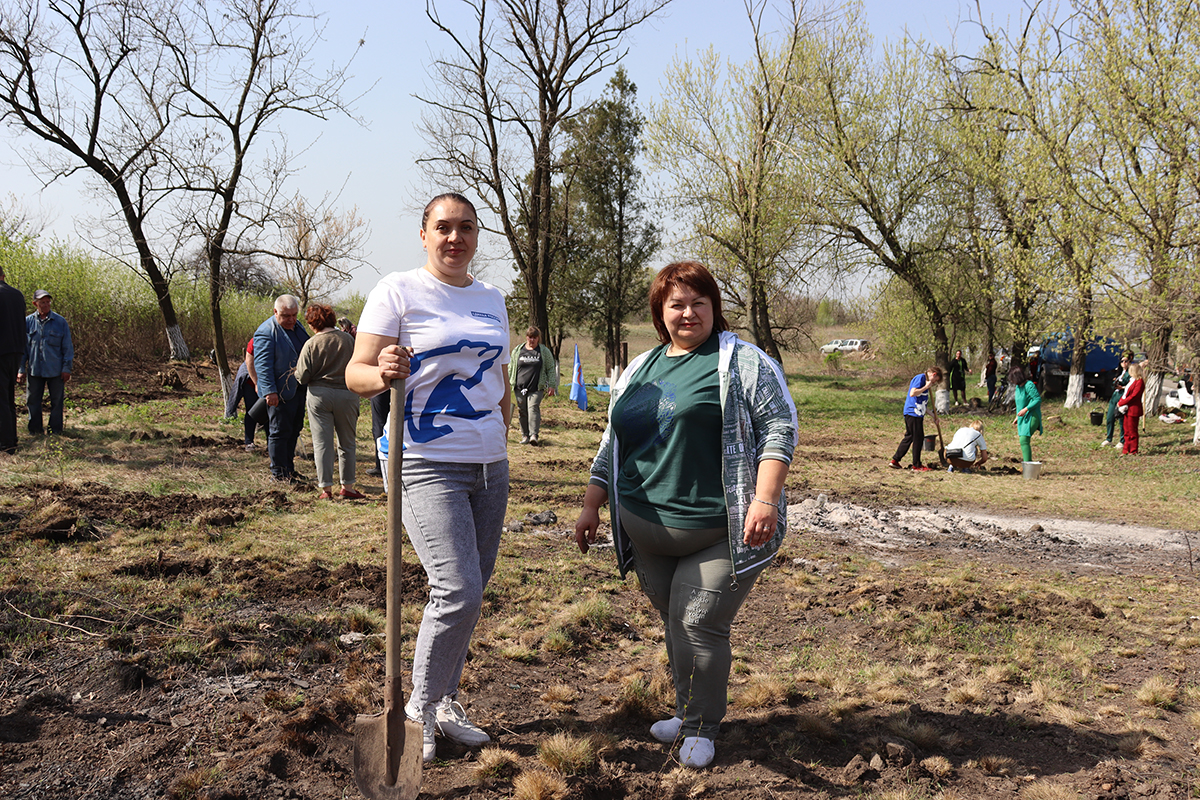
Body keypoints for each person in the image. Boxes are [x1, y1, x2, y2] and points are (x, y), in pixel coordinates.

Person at [574, 261, 797, 770]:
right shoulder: (642, 367)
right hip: (644, 531)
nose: (688, 312)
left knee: (698, 621)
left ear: (714, 308)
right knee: (677, 620)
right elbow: (614, 441)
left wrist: (765, 498)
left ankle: (701, 726)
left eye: (699, 302)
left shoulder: (744, 363)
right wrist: (592, 504)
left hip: (722, 530)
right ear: (661, 312)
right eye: (676, 304)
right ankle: (686, 709)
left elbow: (779, 429)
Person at [346, 192, 510, 763]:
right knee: (457, 588)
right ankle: (417, 709)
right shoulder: (397, 291)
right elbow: (356, 373)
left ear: (475, 236)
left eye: (465, 228)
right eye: (443, 227)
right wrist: (380, 370)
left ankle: (443, 701)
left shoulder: (492, 299)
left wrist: (503, 436)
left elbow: (499, 381)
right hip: (421, 459)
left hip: (489, 464)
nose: (454, 237)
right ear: (424, 234)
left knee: (472, 592)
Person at [296, 304, 363, 500]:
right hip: (347, 393)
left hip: (319, 396)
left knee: (322, 443)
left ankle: (326, 489)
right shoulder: (348, 340)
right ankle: (348, 487)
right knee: (347, 442)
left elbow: (302, 376)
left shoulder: (311, 344)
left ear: (312, 323)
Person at [253, 295, 310, 482]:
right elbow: (262, 365)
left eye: (294, 315)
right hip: (279, 393)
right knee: (279, 432)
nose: (291, 319)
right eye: (286, 316)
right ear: (275, 312)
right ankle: (278, 473)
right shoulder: (266, 332)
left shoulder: (298, 327)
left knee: (294, 429)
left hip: (298, 390)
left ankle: (288, 469)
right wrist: (270, 391)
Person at [17, 289, 74, 436]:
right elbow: (23, 348)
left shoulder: (60, 322)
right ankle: (35, 430)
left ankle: (55, 431)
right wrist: (21, 369)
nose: (46, 304)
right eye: (42, 302)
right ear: (35, 303)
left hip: (56, 370)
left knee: (57, 401)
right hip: (35, 369)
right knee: (32, 400)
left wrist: (66, 368)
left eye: (48, 301)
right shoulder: (28, 322)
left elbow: (67, 347)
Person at [508, 325, 558, 445]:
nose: (532, 340)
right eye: (530, 337)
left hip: (536, 387)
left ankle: (533, 435)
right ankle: (525, 435)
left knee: (533, 408)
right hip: (519, 386)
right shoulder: (518, 350)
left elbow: (551, 368)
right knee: (522, 410)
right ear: (526, 337)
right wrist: (507, 382)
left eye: (535, 337)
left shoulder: (544, 351)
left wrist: (552, 385)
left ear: (538, 338)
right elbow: (511, 367)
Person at [889, 366, 942, 472]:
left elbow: (923, 405)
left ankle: (895, 460)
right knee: (918, 437)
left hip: (917, 414)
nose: (934, 383)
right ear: (934, 374)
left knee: (909, 437)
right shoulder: (921, 378)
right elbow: (912, 393)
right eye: (935, 380)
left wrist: (934, 416)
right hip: (912, 413)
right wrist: (925, 387)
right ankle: (916, 465)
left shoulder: (926, 382)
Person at [0, 268, 25, 454]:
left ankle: (6, 443)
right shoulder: (17, 295)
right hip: (16, 352)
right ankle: (11, 439)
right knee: (8, 397)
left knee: (1, 398)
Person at [224, 338, 261, 450]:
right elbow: (249, 362)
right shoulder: (257, 341)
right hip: (250, 381)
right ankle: (249, 441)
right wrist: (256, 383)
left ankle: (272, 443)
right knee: (252, 410)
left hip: (269, 380)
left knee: (271, 412)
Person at [1010, 364, 1042, 463]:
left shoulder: (1029, 385)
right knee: (1023, 440)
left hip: (1032, 415)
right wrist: (1017, 416)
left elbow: (1037, 399)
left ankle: (1028, 465)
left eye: (1013, 379)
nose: (1012, 381)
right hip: (1023, 417)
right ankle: (1027, 464)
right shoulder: (1018, 387)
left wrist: (1026, 409)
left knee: (1024, 438)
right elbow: (1020, 403)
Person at [1101, 355, 1132, 448]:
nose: (1124, 363)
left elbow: (1132, 385)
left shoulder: (1130, 373)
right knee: (1110, 417)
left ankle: (1122, 441)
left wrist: (1122, 387)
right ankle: (1108, 438)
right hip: (1115, 395)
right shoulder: (1119, 372)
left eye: (1126, 361)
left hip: (1123, 396)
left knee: (1121, 418)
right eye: (1122, 361)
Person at [1118, 362, 1144, 455]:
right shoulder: (1131, 380)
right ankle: (1126, 450)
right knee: (1126, 430)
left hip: (1133, 409)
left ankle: (1133, 450)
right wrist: (1121, 401)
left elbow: (1134, 396)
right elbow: (1126, 393)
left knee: (1132, 431)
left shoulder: (1139, 382)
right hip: (1127, 409)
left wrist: (1122, 402)